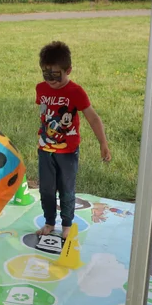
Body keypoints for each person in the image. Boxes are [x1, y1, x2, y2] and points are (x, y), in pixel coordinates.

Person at [36, 41, 112, 239]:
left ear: (68, 70)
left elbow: (93, 118)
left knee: (66, 189)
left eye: (55, 74)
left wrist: (103, 143)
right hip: (45, 150)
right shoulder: (41, 89)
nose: (50, 79)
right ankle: (49, 222)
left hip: (67, 152)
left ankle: (67, 224)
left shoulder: (75, 92)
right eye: (46, 74)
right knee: (46, 189)